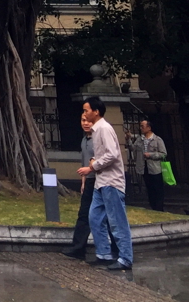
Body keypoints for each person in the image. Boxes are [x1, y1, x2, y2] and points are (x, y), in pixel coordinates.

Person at [78, 96, 133, 271]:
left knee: (117, 221)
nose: (84, 114)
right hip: (100, 183)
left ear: (96, 111)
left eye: (87, 110)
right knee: (94, 218)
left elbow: (112, 154)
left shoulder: (104, 128)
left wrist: (93, 166)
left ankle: (125, 258)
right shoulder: (96, 130)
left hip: (111, 182)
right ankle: (104, 254)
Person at [62, 112, 118, 261]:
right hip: (89, 181)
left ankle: (116, 249)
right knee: (84, 214)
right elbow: (84, 162)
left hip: (102, 180)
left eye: (88, 121)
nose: (85, 123)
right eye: (82, 120)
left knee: (108, 215)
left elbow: (106, 157)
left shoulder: (99, 138)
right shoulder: (84, 140)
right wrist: (83, 181)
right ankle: (78, 247)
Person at [129, 119, 167, 211]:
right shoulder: (140, 139)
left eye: (142, 126)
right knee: (149, 189)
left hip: (155, 168)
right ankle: (153, 207)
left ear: (149, 128)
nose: (141, 128)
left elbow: (163, 153)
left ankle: (159, 208)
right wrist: (129, 139)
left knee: (157, 188)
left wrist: (151, 155)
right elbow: (133, 148)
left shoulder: (157, 139)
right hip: (144, 167)